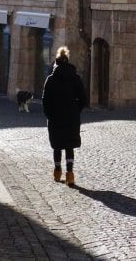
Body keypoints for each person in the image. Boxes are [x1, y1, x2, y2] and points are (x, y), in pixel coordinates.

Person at [41, 46, 86, 187]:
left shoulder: (50, 79)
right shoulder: (76, 78)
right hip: (72, 117)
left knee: (57, 146)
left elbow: (45, 100)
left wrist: (49, 115)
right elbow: (83, 98)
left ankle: (57, 171)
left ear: (56, 62)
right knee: (69, 146)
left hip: (55, 117)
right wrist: (75, 110)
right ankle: (70, 175)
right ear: (67, 61)